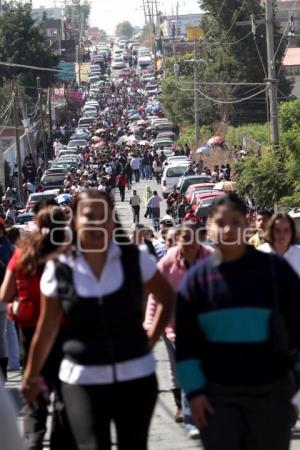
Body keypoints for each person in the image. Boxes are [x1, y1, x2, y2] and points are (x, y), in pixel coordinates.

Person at [22, 190, 175, 450]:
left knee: (134, 445)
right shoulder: (59, 268)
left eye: (103, 216)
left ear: (113, 221)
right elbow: (46, 329)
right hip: (82, 378)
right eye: (88, 216)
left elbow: (167, 298)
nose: (96, 223)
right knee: (92, 445)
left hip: (136, 375)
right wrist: (30, 376)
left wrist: (149, 339)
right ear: (75, 222)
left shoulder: (135, 259)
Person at [176, 193, 300, 450]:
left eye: (236, 221)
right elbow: (187, 345)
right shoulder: (197, 280)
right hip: (216, 398)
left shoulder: (276, 271)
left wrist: (293, 385)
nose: (229, 228)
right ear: (208, 227)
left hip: (271, 393)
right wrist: (196, 393)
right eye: (221, 222)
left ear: (248, 224)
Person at [1, 205, 67, 450]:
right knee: (65, 391)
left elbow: (5, 293)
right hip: (64, 331)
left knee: (35, 390)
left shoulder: (23, 253)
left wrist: (16, 304)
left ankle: (34, 441)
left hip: (31, 331)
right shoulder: (71, 253)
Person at [145, 224, 213, 437]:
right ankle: (192, 419)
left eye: (193, 240)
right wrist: (149, 327)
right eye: (184, 241)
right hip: (176, 326)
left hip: (207, 326)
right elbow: (155, 296)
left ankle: (209, 414)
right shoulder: (167, 263)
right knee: (186, 371)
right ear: (177, 242)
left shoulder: (212, 258)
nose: (189, 245)